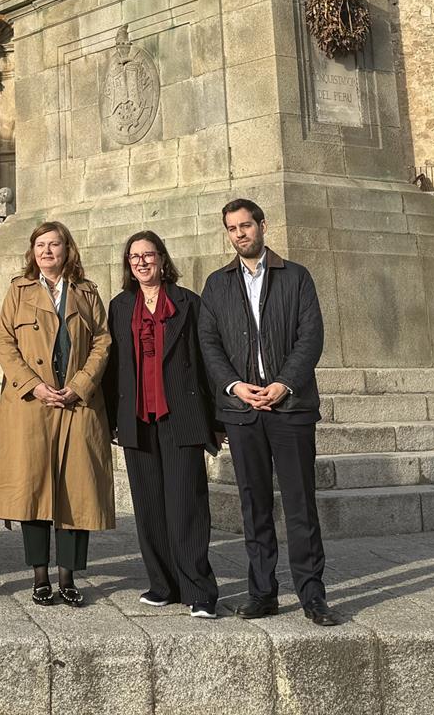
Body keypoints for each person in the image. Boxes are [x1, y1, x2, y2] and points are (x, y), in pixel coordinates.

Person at [197, 198, 339, 626]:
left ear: (262, 226)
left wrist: (283, 383)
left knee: (299, 504)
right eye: (232, 228)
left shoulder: (295, 277)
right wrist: (236, 386)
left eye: (246, 226)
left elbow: (310, 337)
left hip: (290, 407)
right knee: (253, 505)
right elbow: (210, 343)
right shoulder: (217, 284)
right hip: (242, 411)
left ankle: (312, 594)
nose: (240, 234)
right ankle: (263, 592)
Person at [0, 221, 114, 606]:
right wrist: (34, 385)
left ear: (67, 249)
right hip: (32, 404)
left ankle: (69, 577)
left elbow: (102, 342)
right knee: (34, 488)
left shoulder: (86, 292)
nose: (47, 251)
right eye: (40, 245)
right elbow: (5, 342)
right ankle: (39, 575)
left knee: (76, 490)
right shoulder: (18, 290)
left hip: (76, 404)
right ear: (32, 252)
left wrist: (78, 386)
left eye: (54, 244)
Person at [104, 230, 222, 619]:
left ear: (162, 259)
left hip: (181, 415)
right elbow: (114, 366)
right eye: (134, 256)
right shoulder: (120, 306)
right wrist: (109, 421)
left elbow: (206, 362)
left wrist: (216, 420)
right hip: (137, 418)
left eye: (148, 255)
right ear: (128, 263)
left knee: (187, 503)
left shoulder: (188, 302)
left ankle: (198, 589)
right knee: (150, 505)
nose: (141, 262)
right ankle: (163, 584)